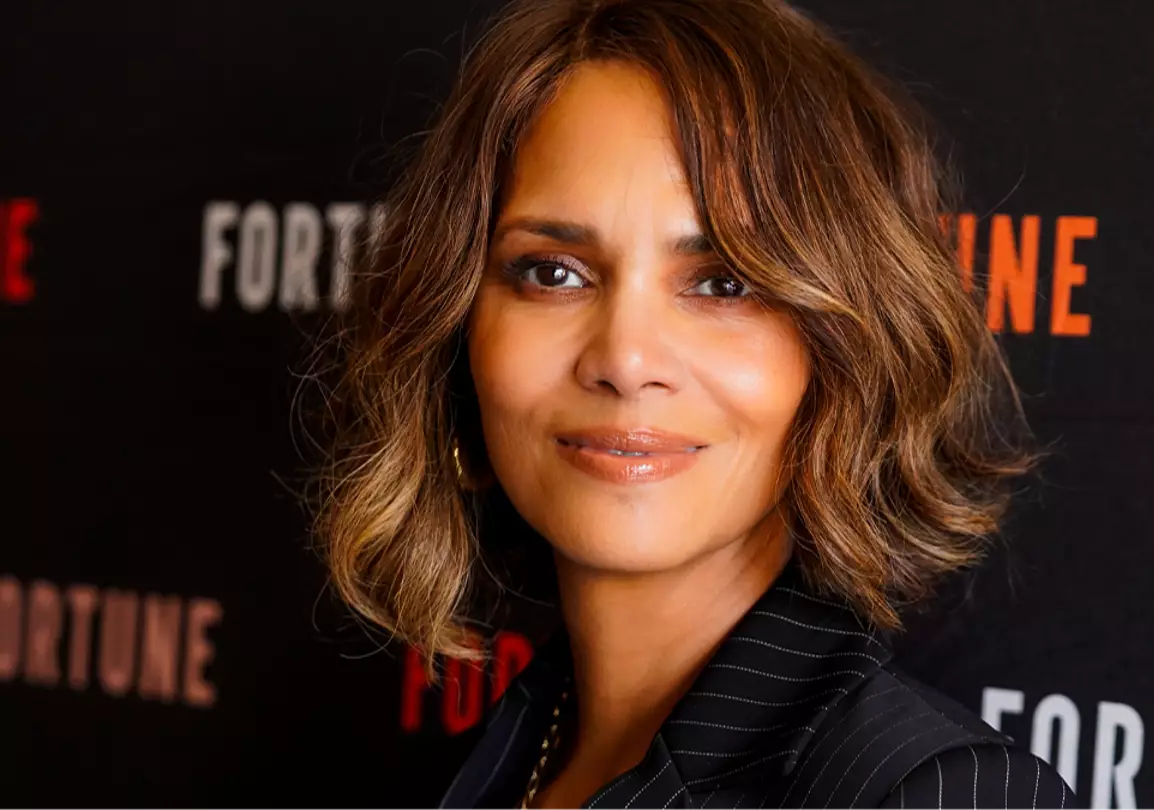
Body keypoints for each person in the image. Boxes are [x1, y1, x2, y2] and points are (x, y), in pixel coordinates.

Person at [312, 0, 1076, 807]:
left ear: (847, 352)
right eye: (552, 272)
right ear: (456, 328)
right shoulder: (504, 754)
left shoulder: (934, 792)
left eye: (723, 282)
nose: (625, 360)